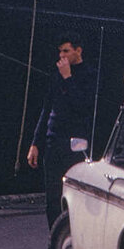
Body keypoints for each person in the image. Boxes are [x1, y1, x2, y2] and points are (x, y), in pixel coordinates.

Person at [28, 34, 96, 230]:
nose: (61, 56)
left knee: (74, 196)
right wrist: (35, 143)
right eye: (60, 52)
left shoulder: (89, 75)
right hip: (53, 140)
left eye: (66, 51)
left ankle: (73, 243)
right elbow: (47, 108)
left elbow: (82, 106)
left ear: (78, 51)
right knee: (52, 198)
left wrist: (68, 78)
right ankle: (55, 246)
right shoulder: (56, 75)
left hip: (74, 144)